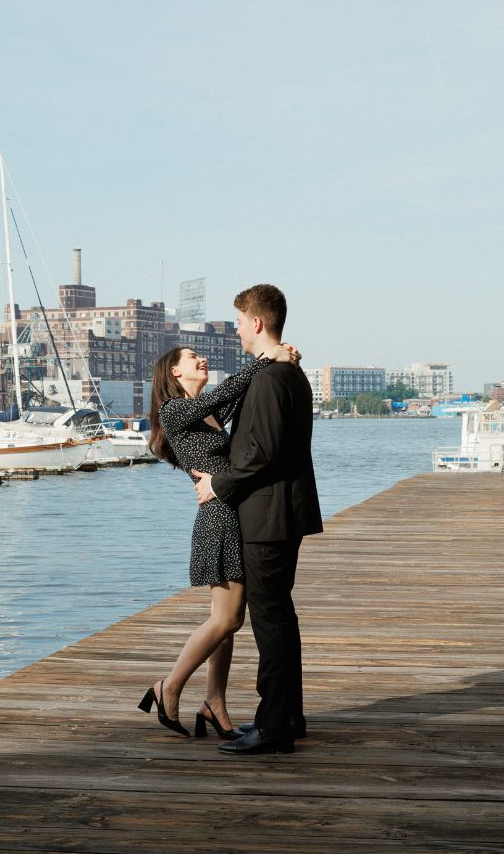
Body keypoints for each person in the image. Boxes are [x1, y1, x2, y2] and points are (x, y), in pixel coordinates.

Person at [140, 340, 301, 739]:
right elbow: (232, 389)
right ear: (175, 373)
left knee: (225, 621)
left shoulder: (209, 414)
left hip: (231, 513)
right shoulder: (174, 411)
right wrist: (266, 358)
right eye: (192, 357)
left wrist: (280, 358)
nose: (202, 359)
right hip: (218, 520)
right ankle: (168, 686)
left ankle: (215, 703)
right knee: (227, 618)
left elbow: (239, 394)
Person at [192, 283, 322, 755]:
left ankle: (274, 727)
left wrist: (216, 485)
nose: (238, 330)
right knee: (279, 616)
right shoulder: (286, 372)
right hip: (282, 511)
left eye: (241, 322)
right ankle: (286, 715)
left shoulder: (270, 379)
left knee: (270, 620)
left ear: (258, 323)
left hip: (268, 515)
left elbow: (262, 453)